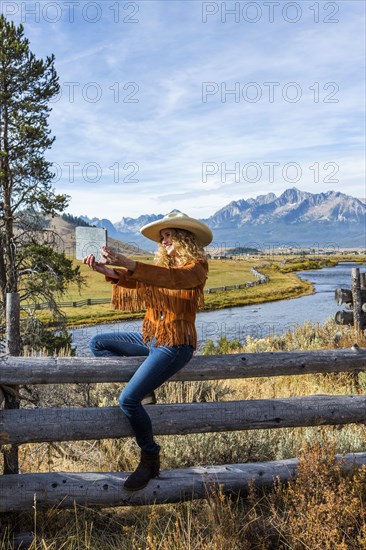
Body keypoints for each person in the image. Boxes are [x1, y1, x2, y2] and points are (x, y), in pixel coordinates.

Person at [83, 212, 213, 491]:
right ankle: (146, 388)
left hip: (175, 344)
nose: (164, 240)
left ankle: (150, 456)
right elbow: (142, 281)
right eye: (163, 236)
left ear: (184, 238)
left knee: (126, 401)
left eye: (170, 234)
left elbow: (173, 279)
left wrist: (129, 263)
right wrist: (106, 271)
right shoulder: (160, 269)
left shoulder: (196, 268)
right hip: (151, 338)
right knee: (98, 343)